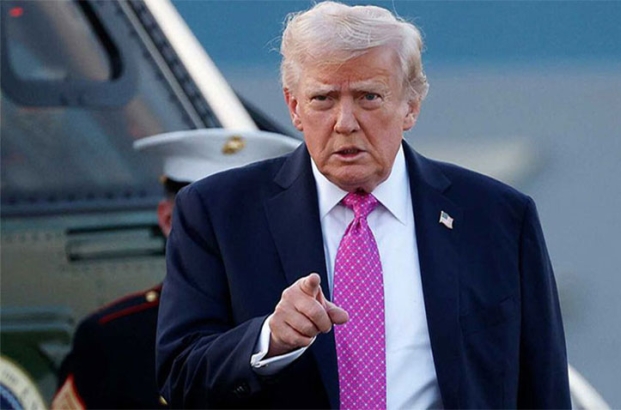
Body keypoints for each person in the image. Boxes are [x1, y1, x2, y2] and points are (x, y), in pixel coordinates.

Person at [156, 2, 571, 409]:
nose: (345, 122)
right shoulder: (218, 213)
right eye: (323, 99)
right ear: (294, 106)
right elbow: (180, 377)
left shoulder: (497, 217)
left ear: (410, 105)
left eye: (368, 97)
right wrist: (269, 339)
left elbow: (543, 386)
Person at [50, 129, 300, 409]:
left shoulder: (304, 327)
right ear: (168, 220)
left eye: (243, 220)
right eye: (204, 218)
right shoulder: (113, 339)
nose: (227, 235)